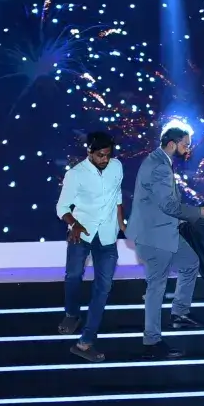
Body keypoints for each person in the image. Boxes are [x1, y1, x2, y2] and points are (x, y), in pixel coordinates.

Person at [127, 126, 204, 358]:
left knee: (190, 263)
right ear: (173, 144)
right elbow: (169, 205)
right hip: (155, 236)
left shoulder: (157, 160)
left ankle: (179, 313)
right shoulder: (160, 167)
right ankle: (152, 341)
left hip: (164, 232)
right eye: (185, 144)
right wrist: (198, 213)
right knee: (156, 287)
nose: (188, 149)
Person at [54, 132, 124, 362]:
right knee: (73, 275)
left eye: (108, 154)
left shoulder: (117, 167)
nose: (105, 159)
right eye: (100, 155)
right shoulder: (75, 174)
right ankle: (72, 314)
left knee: (103, 288)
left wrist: (122, 223)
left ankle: (85, 342)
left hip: (108, 236)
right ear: (89, 153)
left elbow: (117, 196)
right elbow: (62, 207)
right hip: (81, 233)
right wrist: (74, 224)